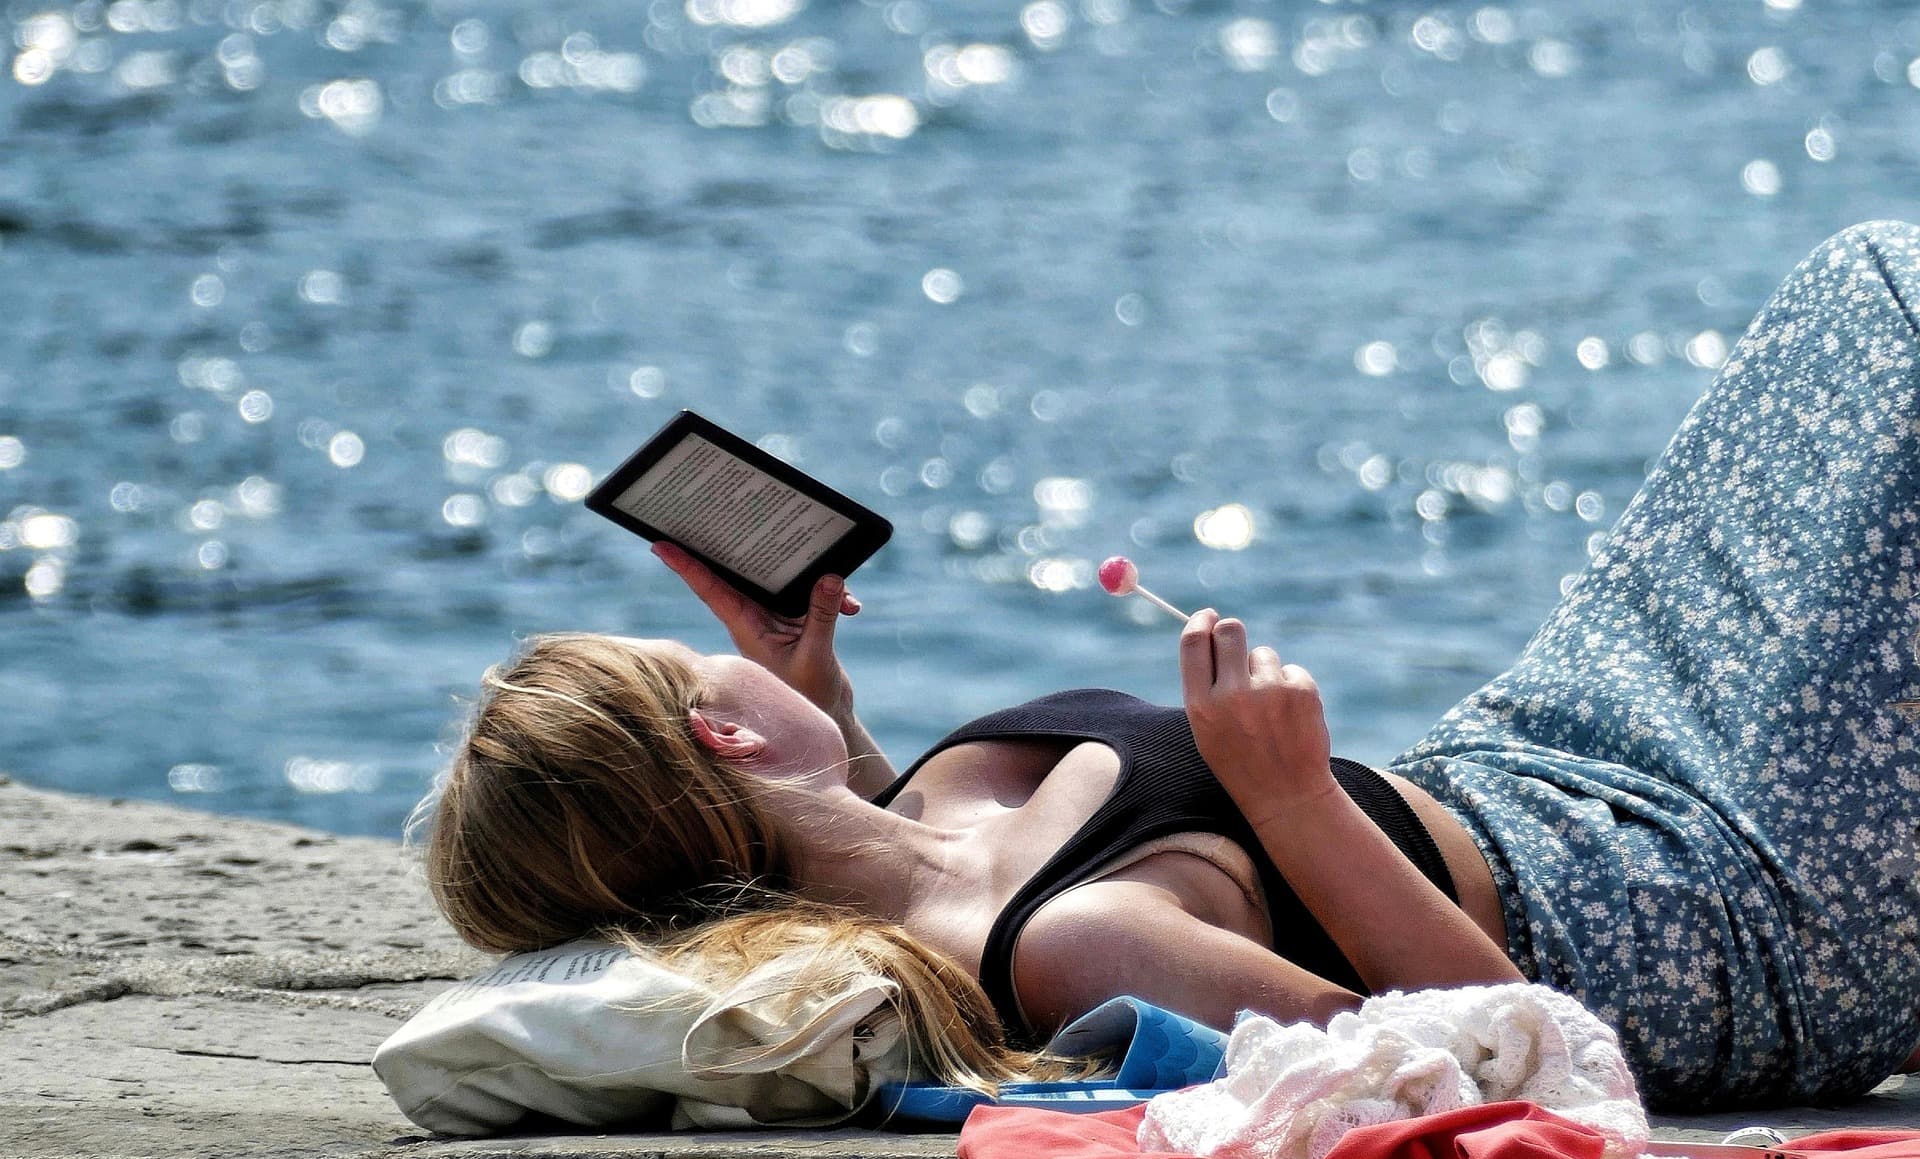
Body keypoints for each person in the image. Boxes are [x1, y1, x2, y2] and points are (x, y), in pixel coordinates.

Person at [419, 222, 1920, 1112]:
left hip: (1561, 757)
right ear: (724, 749)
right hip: (1723, 898)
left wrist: (834, 712)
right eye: (700, 658)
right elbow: (1537, 1069)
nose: (730, 652)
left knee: (1854, 294)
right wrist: (1296, 804)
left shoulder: (916, 813)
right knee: (1890, 304)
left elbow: (886, 846)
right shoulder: (1080, 948)